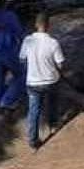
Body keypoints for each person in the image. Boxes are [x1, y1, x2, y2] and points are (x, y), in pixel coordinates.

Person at [20, 11, 65, 150]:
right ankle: (53, 125)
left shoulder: (27, 41)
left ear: (36, 25)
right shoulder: (53, 43)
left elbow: (22, 59)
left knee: (34, 110)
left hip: (33, 82)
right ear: (48, 25)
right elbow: (60, 63)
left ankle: (33, 141)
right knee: (52, 102)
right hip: (51, 80)